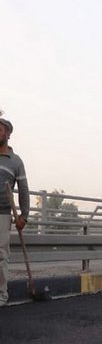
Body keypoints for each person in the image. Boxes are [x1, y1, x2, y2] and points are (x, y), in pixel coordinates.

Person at [0, 116, 29, 307]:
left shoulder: (15, 161)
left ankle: (1, 295)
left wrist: (23, 217)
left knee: (1, 254)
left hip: (2, 213)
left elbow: (24, 190)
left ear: (8, 133)